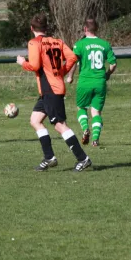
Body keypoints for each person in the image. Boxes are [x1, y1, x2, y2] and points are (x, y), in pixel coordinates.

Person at [16, 13, 92, 172]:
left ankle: (83, 158)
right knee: (35, 120)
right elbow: (72, 57)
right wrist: (60, 72)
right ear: (46, 28)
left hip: (51, 89)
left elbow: (35, 65)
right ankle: (49, 157)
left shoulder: (34, 43)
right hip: (49, 90)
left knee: (59, 125)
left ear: (32, 28)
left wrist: (23, 62)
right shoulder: (57, 41)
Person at [65, 18, 117, 147]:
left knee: (81, 108)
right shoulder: (105, 44)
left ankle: (85, 129)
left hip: (85, 82)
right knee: (96, 112)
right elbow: (113, 64)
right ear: (96, 29)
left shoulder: (80, 44)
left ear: (85, 29)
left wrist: (70, 76)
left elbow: (72, 62)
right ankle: (95, 139)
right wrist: (108, 74)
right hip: (100, 82)